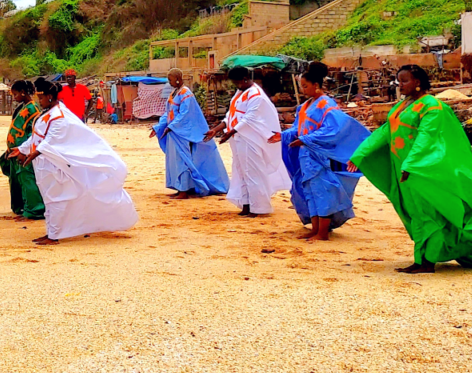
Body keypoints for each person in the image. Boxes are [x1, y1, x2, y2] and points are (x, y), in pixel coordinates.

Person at [350, 64, 472, 273]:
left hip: (422, 169)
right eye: (399, 81)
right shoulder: (403, 105)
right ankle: (422, 258)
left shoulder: (432, 106)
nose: (400, 86)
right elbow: (386, 130)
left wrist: (412, 164)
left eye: (404, 81)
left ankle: (426, 262)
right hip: (404, 168)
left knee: (427, 212)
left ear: (418, 82)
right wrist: (361, 153)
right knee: (415, 211)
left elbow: (427, 137)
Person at [13, 77, 138, 244]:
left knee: (57, 200)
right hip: (43, 167)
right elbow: (37, 137)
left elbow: (50, 140)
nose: (39, 101)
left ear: (50, 97)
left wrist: (33, 155)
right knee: (49, 200)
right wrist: (22, 149)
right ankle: (51, 231)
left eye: (41, 98)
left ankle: (54, 235)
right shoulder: (48, 113)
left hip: (54, 167)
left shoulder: (59, 116)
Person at [280, 62, 369, 240]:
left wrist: (306, 139)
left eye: (305, 86)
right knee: (310, 190)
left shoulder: (326, 104)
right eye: (301, 86)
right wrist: (283, 135)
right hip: (305, 155)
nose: (303, 90)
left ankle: (322, 232)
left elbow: (333, 128)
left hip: (320, 155)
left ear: (316, 85)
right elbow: (298, 128)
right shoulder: (304, 106)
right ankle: (315, 228)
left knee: (323, 191)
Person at [206, 66, 289, 216]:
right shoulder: (240, 93)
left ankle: (259, 207)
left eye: (238, 82)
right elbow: (230, 115)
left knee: (253, 173)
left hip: (250, 139)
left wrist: (231, 132)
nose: (236, 86)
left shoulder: (256, 95)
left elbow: (249, 118)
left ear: (245, 79)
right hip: (237, 138)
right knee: (240, 172)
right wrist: (216, 129)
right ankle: (245, 204)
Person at [149, 69, 229, 198]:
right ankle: (179, 186)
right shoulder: (174, 93)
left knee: (183, 160)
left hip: (182, 133)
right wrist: (158, 127)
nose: (169, 83)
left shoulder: (186, 93)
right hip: (173, 132)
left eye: (170, 80)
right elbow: (168, 113)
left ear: (177, 79)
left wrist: (172, 126)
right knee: (174, 161)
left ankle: (185, 190)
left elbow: (186, 113)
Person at [0, 79, 45, 222]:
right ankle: (20, 207)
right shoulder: (22, 107)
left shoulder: (33, 109)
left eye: (15, 94)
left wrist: (24, 150)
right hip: (14, 151)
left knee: (26, 179)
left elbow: (33, 133)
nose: (14, 97)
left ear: (23, 93)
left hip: (24, 152)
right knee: (16, 181)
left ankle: (34, 211)